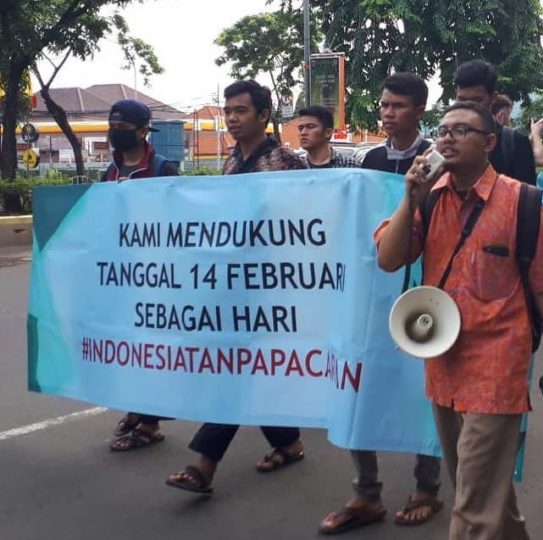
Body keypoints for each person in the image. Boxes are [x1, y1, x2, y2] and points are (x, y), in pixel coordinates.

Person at [375, 100, 543, 540]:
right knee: (483, 489)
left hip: (498, 366)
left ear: (489, 142)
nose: (447, 137)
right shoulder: (428, 198)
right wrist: (408, 197)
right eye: (443, 130)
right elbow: (389, 258)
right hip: (444, 363)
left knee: (470, 506)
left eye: (461, 130)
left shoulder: (520, 202)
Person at [166, 80, 306, 494]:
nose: (231, 118)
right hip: (232, 287)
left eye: (240, 111)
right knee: (250, 369)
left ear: (264, 116)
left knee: (237, 371)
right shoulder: (230, 163)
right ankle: (289, 442)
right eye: (228, 110)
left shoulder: (285, 163)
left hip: (273, 291)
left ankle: (205, 464)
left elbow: (306, 221)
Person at [320, 72, 444, 535]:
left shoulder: (437, 159)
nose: (388, 112)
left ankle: (427, 488)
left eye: (397, 105)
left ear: (419, 110)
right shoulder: (367, 158)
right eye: (384, 104)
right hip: (371, 288)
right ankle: (365, 493)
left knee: (425, 385)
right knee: (361, 383)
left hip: (424, 288)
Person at [101, 99, 178, 452]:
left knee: (153, 349)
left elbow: (179, 223)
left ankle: (148, 422)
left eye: (123, 127)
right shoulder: (110, 172)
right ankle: (138, 410)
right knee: (129, 348)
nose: (116, 132)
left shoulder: (162, 170)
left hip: (157, 277)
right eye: (112, 125)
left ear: (144, 131)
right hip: (122, 277)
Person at [454, 60, 538, 185]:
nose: (468, 107)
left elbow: (527, 198)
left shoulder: (515, 142)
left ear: (493, 98)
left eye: (476, 100)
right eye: (462, 100)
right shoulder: (449, 141)